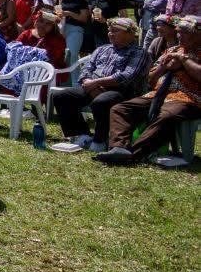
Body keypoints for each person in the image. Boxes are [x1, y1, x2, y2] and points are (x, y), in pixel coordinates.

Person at [92, 16, 201, 168]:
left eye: (185, 33)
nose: (180, 36)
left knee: (166, 115)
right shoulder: (172, 50)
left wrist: (184, 60)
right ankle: (119, 147)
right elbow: (150, 79)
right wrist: (163, 66)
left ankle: (133, 154)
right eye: (179, 32)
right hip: (158, 94)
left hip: (189, 98)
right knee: (120, 109)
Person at [50, 18, 146, 152]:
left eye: (115, 31)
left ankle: (100, 139)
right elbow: (86, 69)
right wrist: (88, 82)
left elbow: (127, 76)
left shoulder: (139, 52)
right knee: (62, 96)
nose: (111, 34)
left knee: (101, 101)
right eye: (110, 31)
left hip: (121, 91)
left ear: (130, 33)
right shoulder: (102, 49)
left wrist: (96, 83)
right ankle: (82, 134)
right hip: (92, 87)